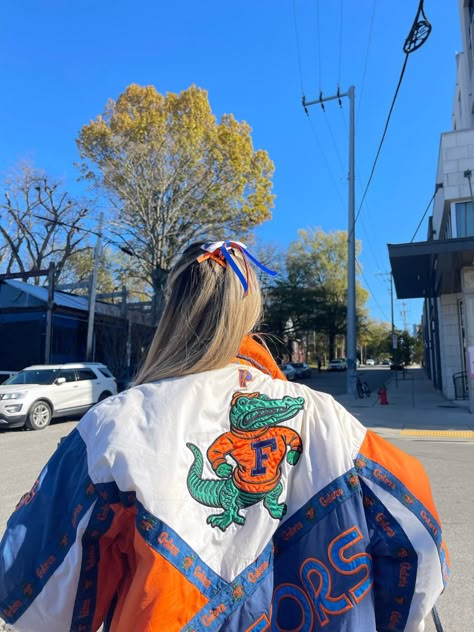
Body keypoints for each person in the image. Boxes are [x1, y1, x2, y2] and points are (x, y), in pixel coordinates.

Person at [0, 240, 449, 632]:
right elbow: (419, 539)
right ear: (251, 311)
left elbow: (37, 605)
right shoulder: (328, 418)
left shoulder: (114, 425)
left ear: (172, 311)